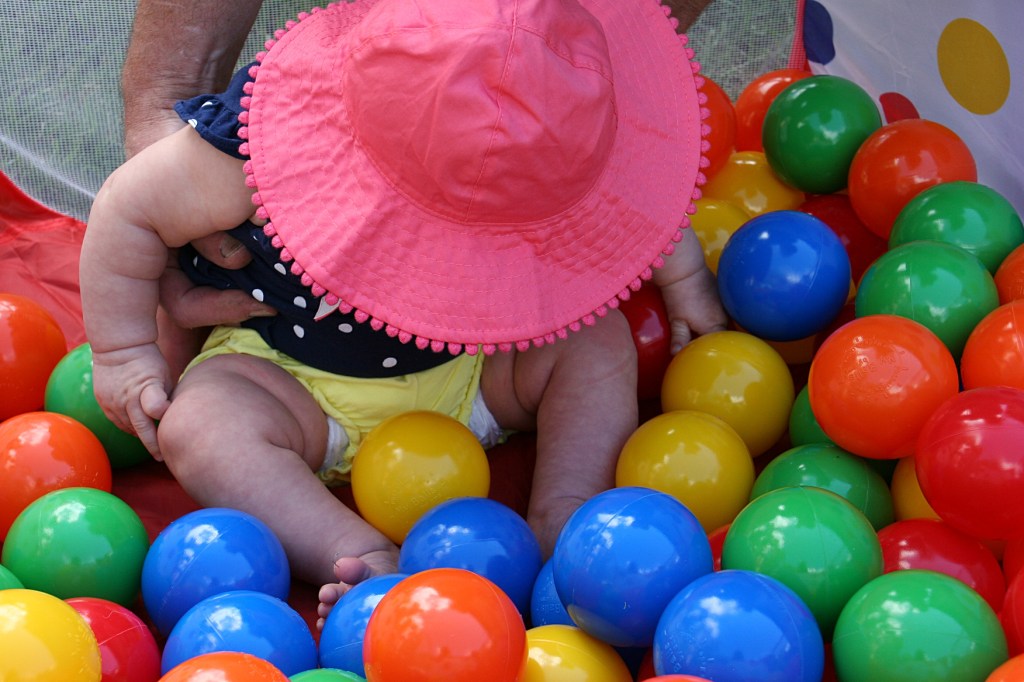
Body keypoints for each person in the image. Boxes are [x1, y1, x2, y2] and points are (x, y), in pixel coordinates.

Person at [84, 0, 726, 625]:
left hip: (472, 366)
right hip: (293, 376)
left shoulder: (556, 139)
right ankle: (359, 551)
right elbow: (129, 208)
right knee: (200, 428)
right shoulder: (257, 142)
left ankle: (567, 512)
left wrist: (688, 277)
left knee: (596, 340)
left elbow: (631, 206)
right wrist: (124, 352)